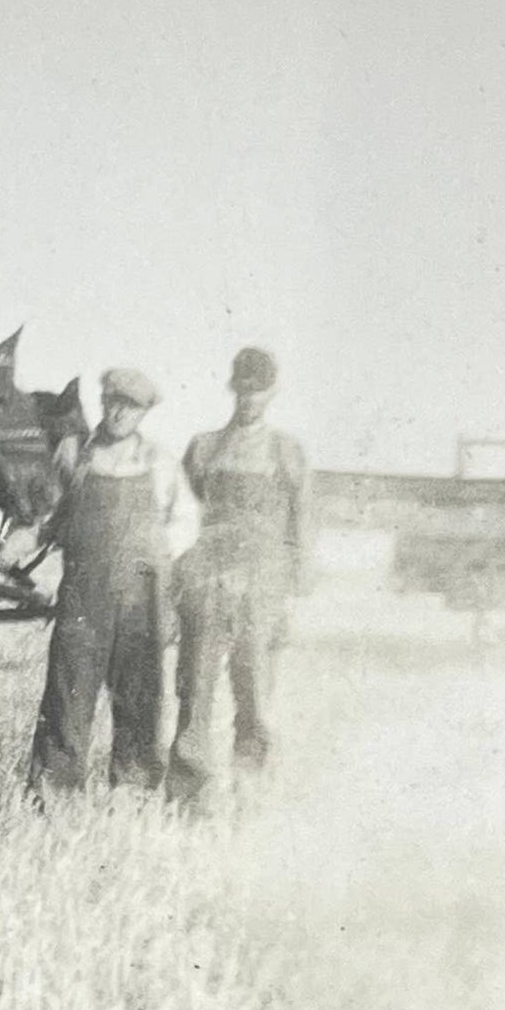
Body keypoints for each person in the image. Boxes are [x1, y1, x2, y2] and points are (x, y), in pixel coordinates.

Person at [26, 367, 188, 809]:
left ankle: (131, 794)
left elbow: (184, 524)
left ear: (143, 413)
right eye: (113, 402)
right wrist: (6, 557)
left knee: (139, 695)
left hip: (141, 598)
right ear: (103, 402)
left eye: (129, 407)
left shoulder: (159, 462)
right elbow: (43, 519)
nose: (118, 413)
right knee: (67, 694)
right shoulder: (74, 455)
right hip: (83, 596)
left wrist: (157, 560)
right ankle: (55, 796)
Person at [166, 346, 311, 808]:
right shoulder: (204, 446)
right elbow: (184, 513)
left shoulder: (287, 450)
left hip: (261, 581)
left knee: (253, 686)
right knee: (196, 683)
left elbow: (301, 521)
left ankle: (249, 788)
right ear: (233, 389)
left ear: (273, 393)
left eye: (259, 392)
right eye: (243, 390)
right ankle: (190, 793)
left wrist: (292, 581)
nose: (250, 400)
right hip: (208, 577)